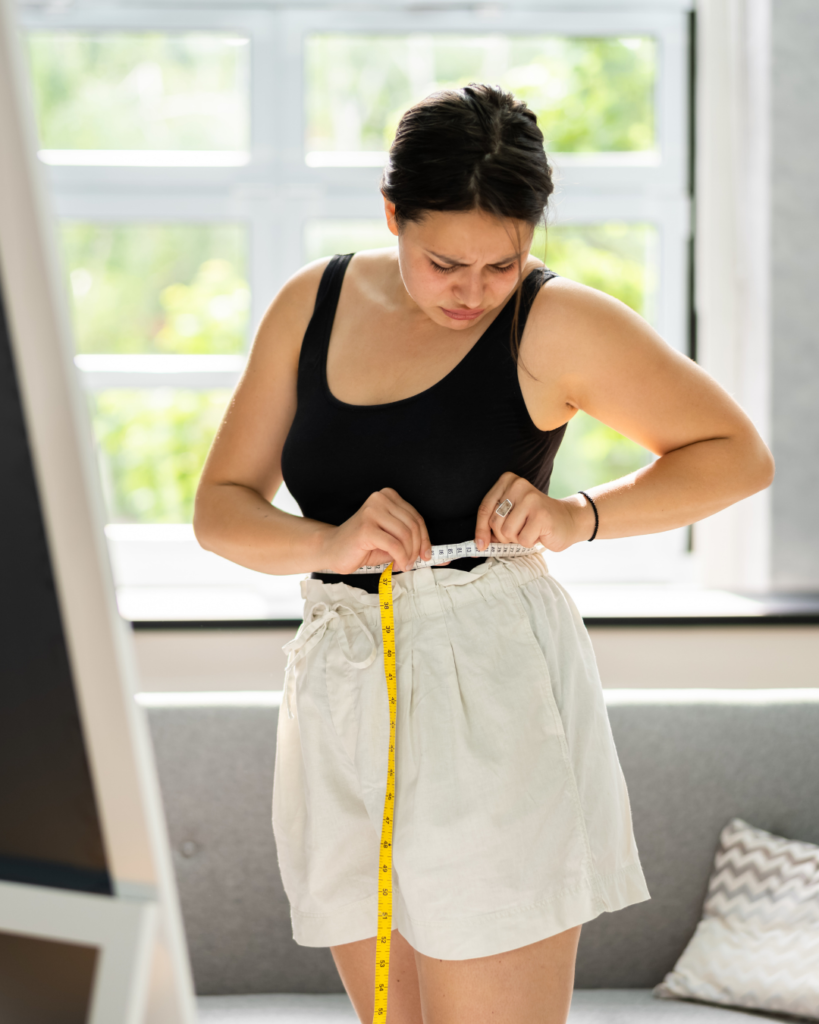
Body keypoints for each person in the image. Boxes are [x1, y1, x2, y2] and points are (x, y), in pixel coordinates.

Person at [193, 83, 774, 1024]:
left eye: (501, 264)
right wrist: (328, 541)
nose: (470, 292)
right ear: (392, 215)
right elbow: (220, 511)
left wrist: (579, 515)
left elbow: (736, 456)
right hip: (340, 678)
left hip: (491, 684)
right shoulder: (313, 302)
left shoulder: (555, 323)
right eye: (443, 262)